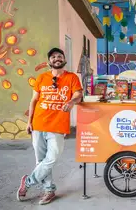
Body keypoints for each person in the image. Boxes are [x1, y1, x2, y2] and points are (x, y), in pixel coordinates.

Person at [17, 48, 83, 205]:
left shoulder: (72, 77)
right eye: (53, 57)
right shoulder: (41, 78)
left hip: (58, 126)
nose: (57, 58)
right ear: (49, 62)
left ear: (64, 60)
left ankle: (28, 182)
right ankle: (49, 190)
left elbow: (78, 94)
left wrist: (71, 102)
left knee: (52, 157)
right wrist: (29, 121)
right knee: (40, 160)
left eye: (60, 56)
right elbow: (34, 101)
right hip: (38, 124)